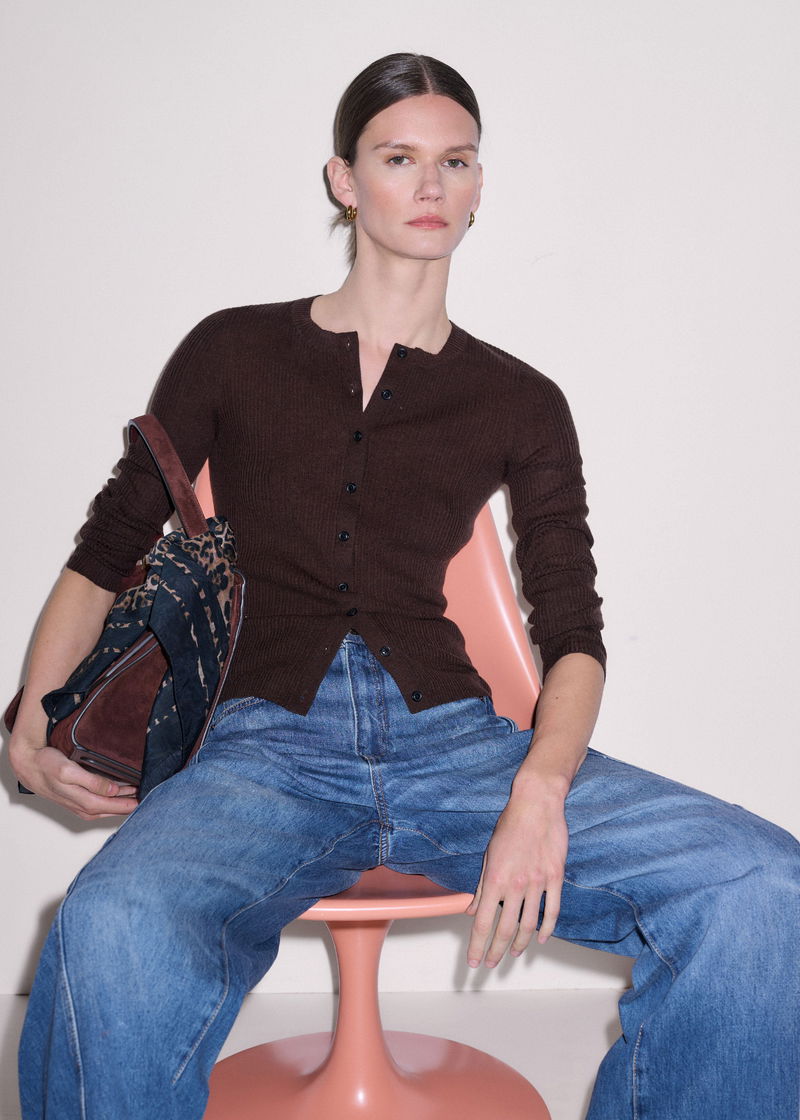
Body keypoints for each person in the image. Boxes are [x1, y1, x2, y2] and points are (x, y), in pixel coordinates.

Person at [9, 52, 799, 1120]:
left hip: (456, 748)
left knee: (760, 885)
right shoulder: (232, 350)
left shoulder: (519, 399)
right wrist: (32, 722)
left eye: (454, 162)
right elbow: (107, 550)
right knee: (110, 925)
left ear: (478, 185)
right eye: (398, 159)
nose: (430, 186)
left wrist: (538, 791)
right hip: (263, 751)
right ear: (345, 180)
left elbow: (573, 629)